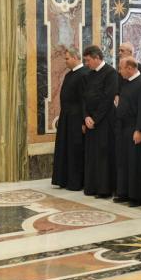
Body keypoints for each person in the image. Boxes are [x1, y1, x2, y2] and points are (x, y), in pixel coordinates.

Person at [114, 57, 141, 206]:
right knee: (124, 161)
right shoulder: (126, 83)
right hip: (123, 127)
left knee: (135, 162)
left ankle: (136, 196)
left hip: (134, 128)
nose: (119, 71)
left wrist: (139, 130)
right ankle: (124, 192)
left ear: (130, 68)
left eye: (121, 68)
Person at [82, 45, 118, 197]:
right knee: (92, 155)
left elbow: (107, 99)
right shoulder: (90, 74)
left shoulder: (111, 73)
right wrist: (86, 117)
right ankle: (91, 187)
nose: (86, 64)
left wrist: (95, 119)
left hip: (104, 121)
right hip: (91, 121)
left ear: (97, 58)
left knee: (103, 155)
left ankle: (104, 189)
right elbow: (84, 98)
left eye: (88, 60)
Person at [52, 47, 90, 191]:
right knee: (65, 148)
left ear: (75, 58)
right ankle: (65, 179)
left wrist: (83, 120)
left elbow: (84, 100)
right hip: (66, 117)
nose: (65, 61)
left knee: (75, 150)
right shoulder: (70, 75)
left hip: (77, 119)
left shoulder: (84, 74)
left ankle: (76, 182)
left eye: (67, 58)